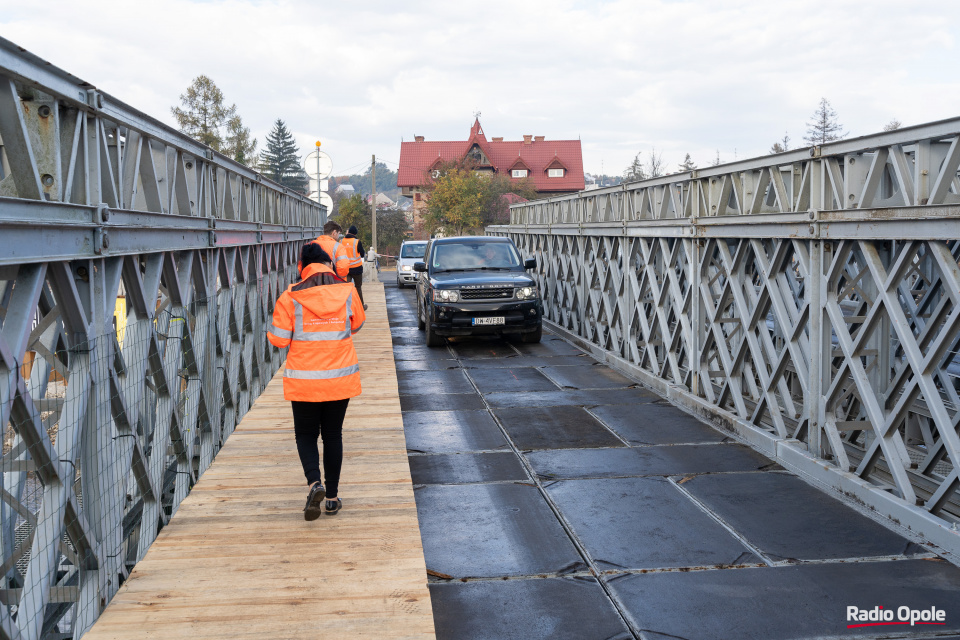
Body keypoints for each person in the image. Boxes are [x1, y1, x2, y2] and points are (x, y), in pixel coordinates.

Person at [267, 242, 366, 520]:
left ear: (302, 268)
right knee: (333, 435)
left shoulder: (291, 295)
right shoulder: (347, 290)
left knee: (306, 435)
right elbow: (357, 325)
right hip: (339, 377)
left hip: (304, 380)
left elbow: (278, 339)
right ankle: (332, 499)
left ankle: (315, 484)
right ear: (329, 264)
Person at [341, 225, 368, 310]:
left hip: (346, 269)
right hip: (357, 268)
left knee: (347, 288)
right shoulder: (357, 241)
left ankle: (345, 307)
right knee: (358, 287)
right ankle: (361, 306)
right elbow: (363, 254)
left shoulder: (341, 241)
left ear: (348, 232)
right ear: (355, 233)